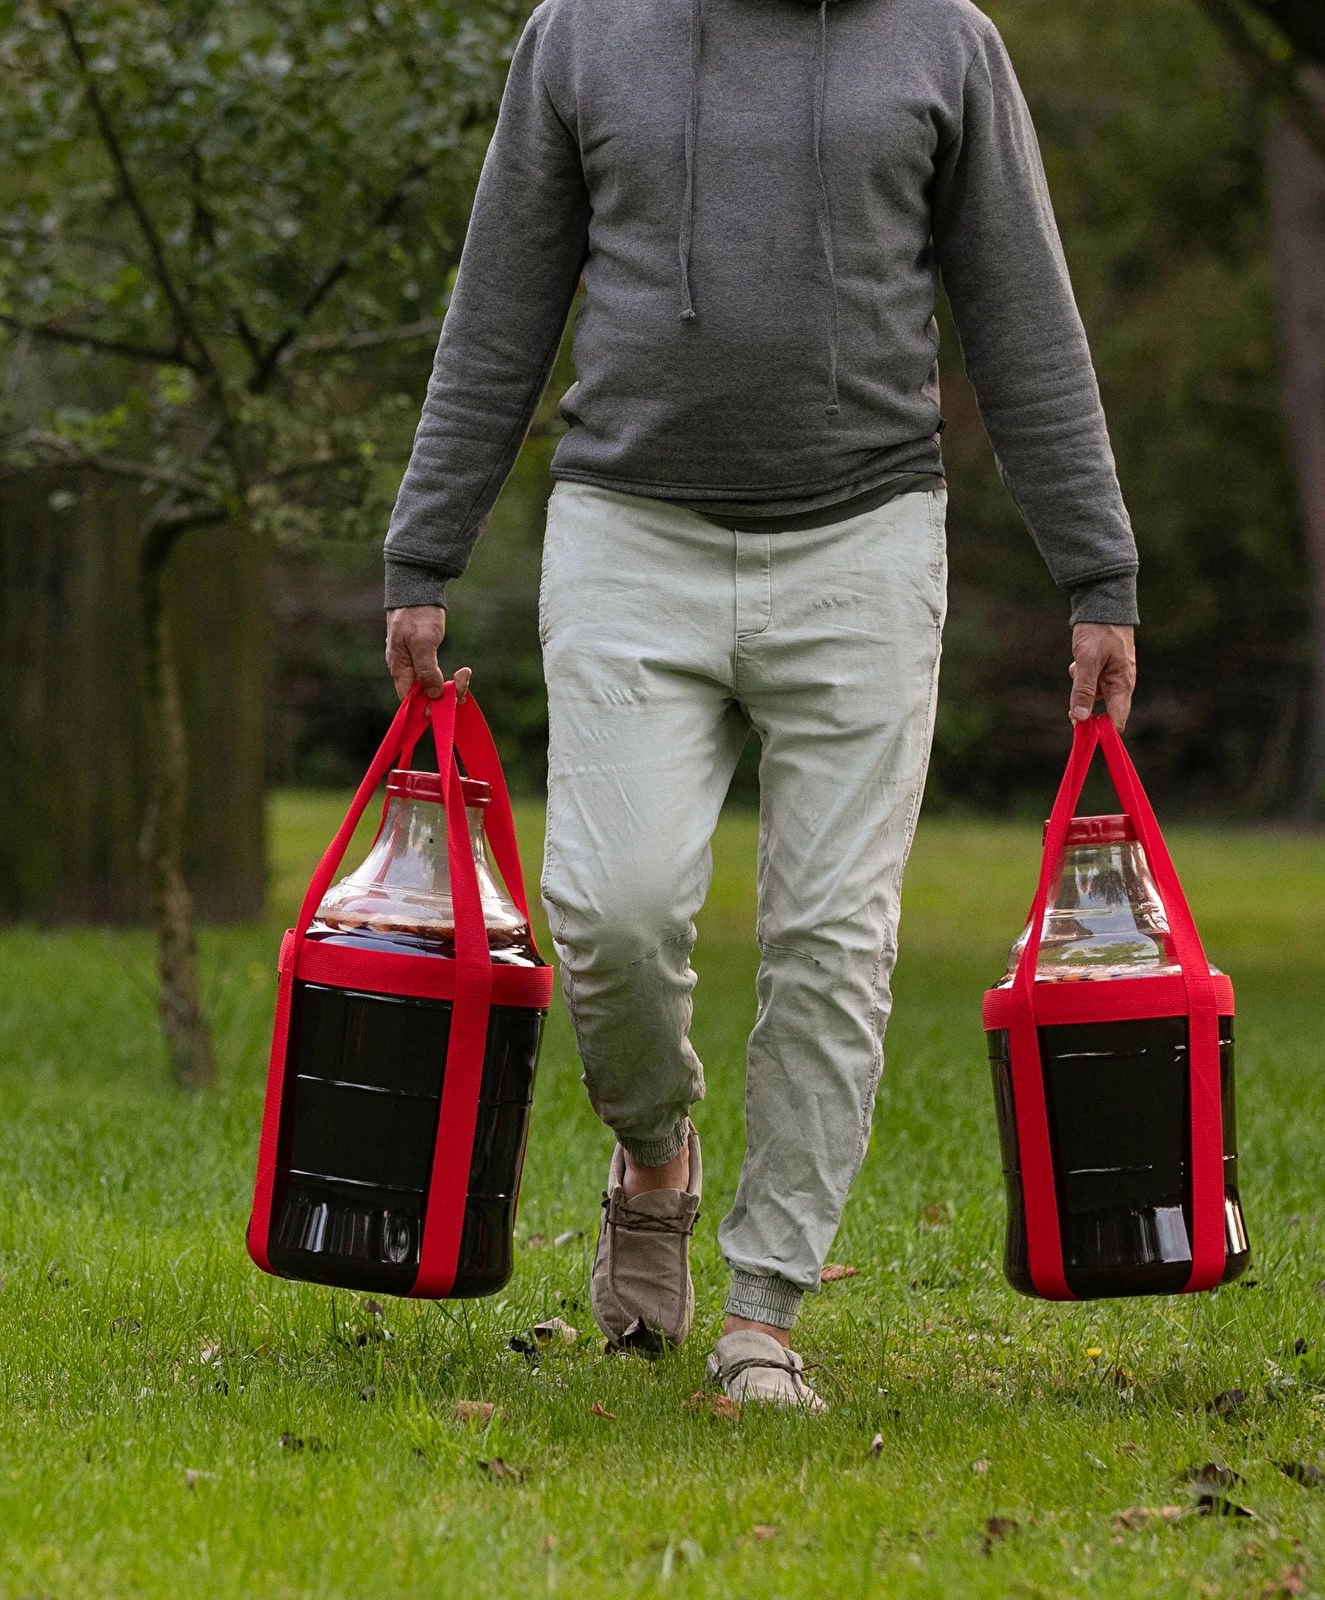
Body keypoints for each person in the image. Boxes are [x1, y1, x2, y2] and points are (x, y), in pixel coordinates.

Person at [382, 0, 1138, 1410]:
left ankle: (764, 1314)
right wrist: (424, 550)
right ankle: (655, 1155)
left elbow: (1023, 315)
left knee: (832, 937)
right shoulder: (581, 34)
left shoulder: (944, 44)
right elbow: (501, 304)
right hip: (629, 534)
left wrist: (1098, 570)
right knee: (610, 911)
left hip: (865, 540)